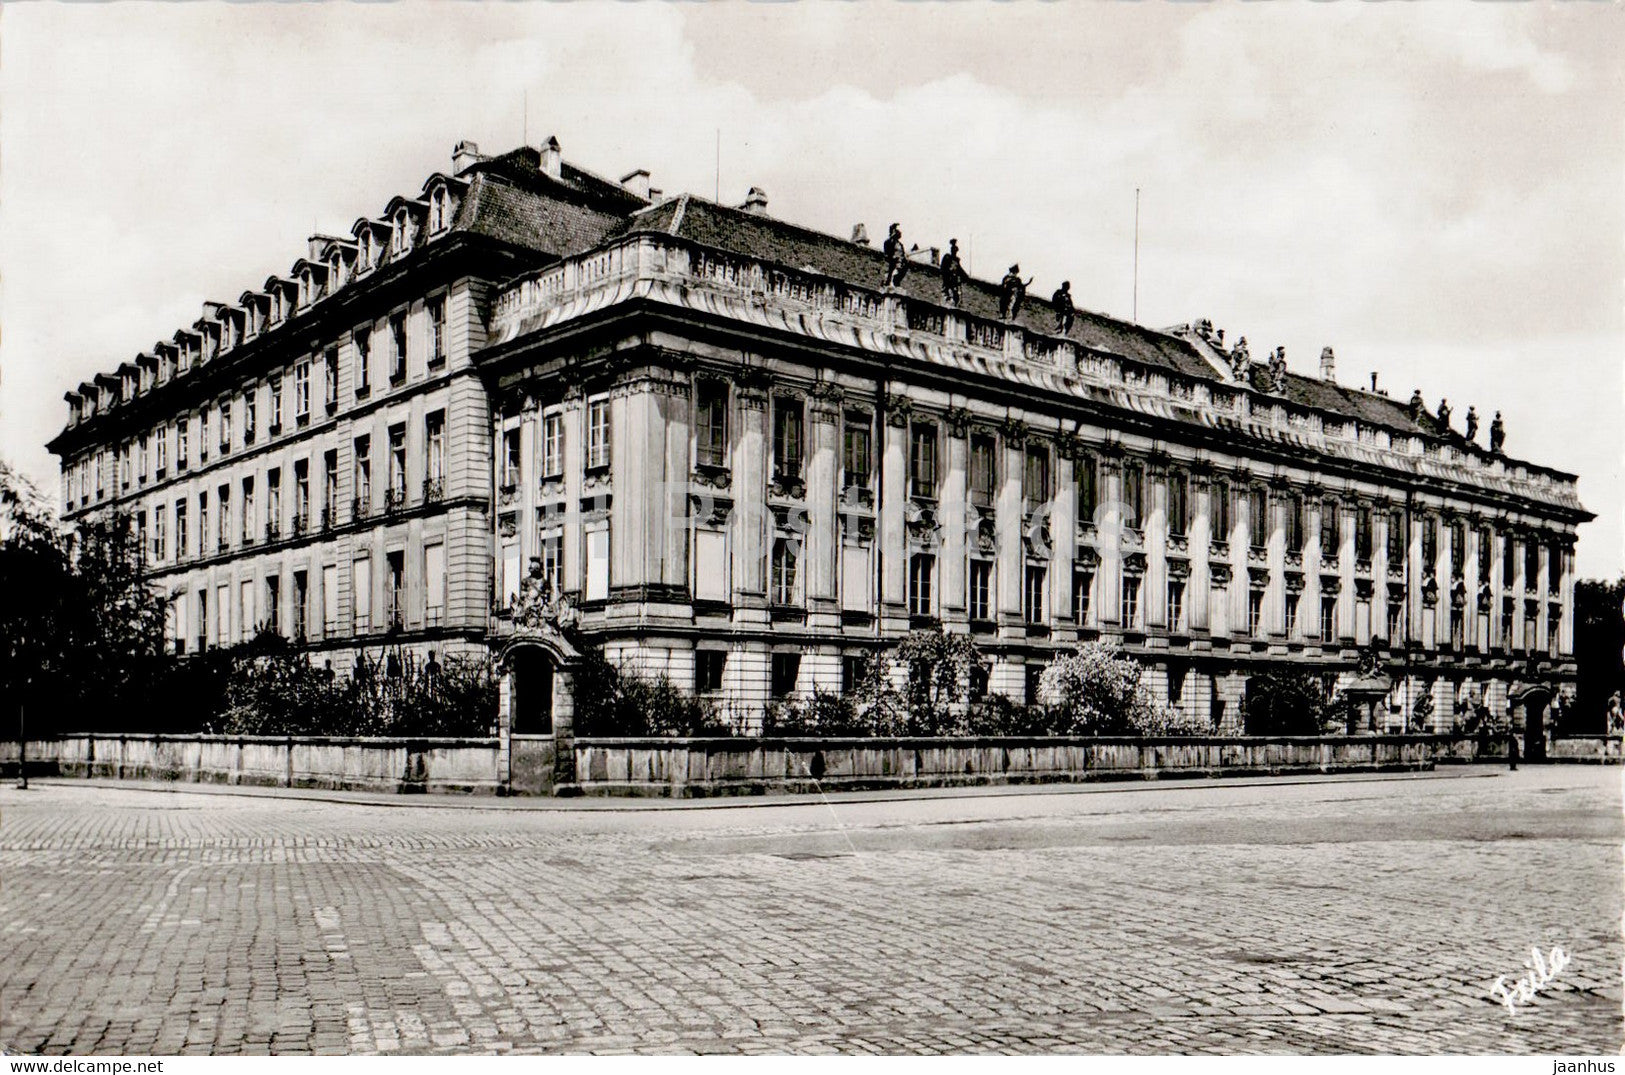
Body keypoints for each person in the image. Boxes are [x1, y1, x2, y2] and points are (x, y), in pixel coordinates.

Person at [939, 239, 965, 306]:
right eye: (954, 250)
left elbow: (960, 270)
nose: (955, 252)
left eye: (956, 251)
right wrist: (948, 273)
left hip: (954, 281)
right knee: (947, 292)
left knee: (956, 295)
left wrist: (965, 276)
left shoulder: (956, 261)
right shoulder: (947, 257)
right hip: (949, 279)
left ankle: (955, 304)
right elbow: (943, 268)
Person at [881, 223, 906, 289]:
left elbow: (902, 253)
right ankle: (889, 283)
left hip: (899, 260)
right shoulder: (888, 242)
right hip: (892, 260)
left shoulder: (900, 244)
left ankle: (895, 282)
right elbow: (886, 253)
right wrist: (891, 257)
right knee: (890, 273)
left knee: (898, 272)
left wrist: (902, 258)